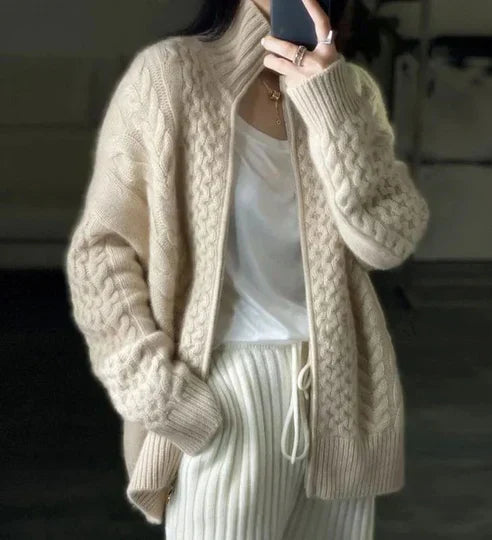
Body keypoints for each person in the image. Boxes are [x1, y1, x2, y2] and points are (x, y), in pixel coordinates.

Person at [64, 0, 430, 538]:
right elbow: (101, 250)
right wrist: (157, 392)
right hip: (225, 396)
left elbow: (387, 243)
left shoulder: (349, 91)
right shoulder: (170, 75)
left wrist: (330, 104)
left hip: (340, 402)